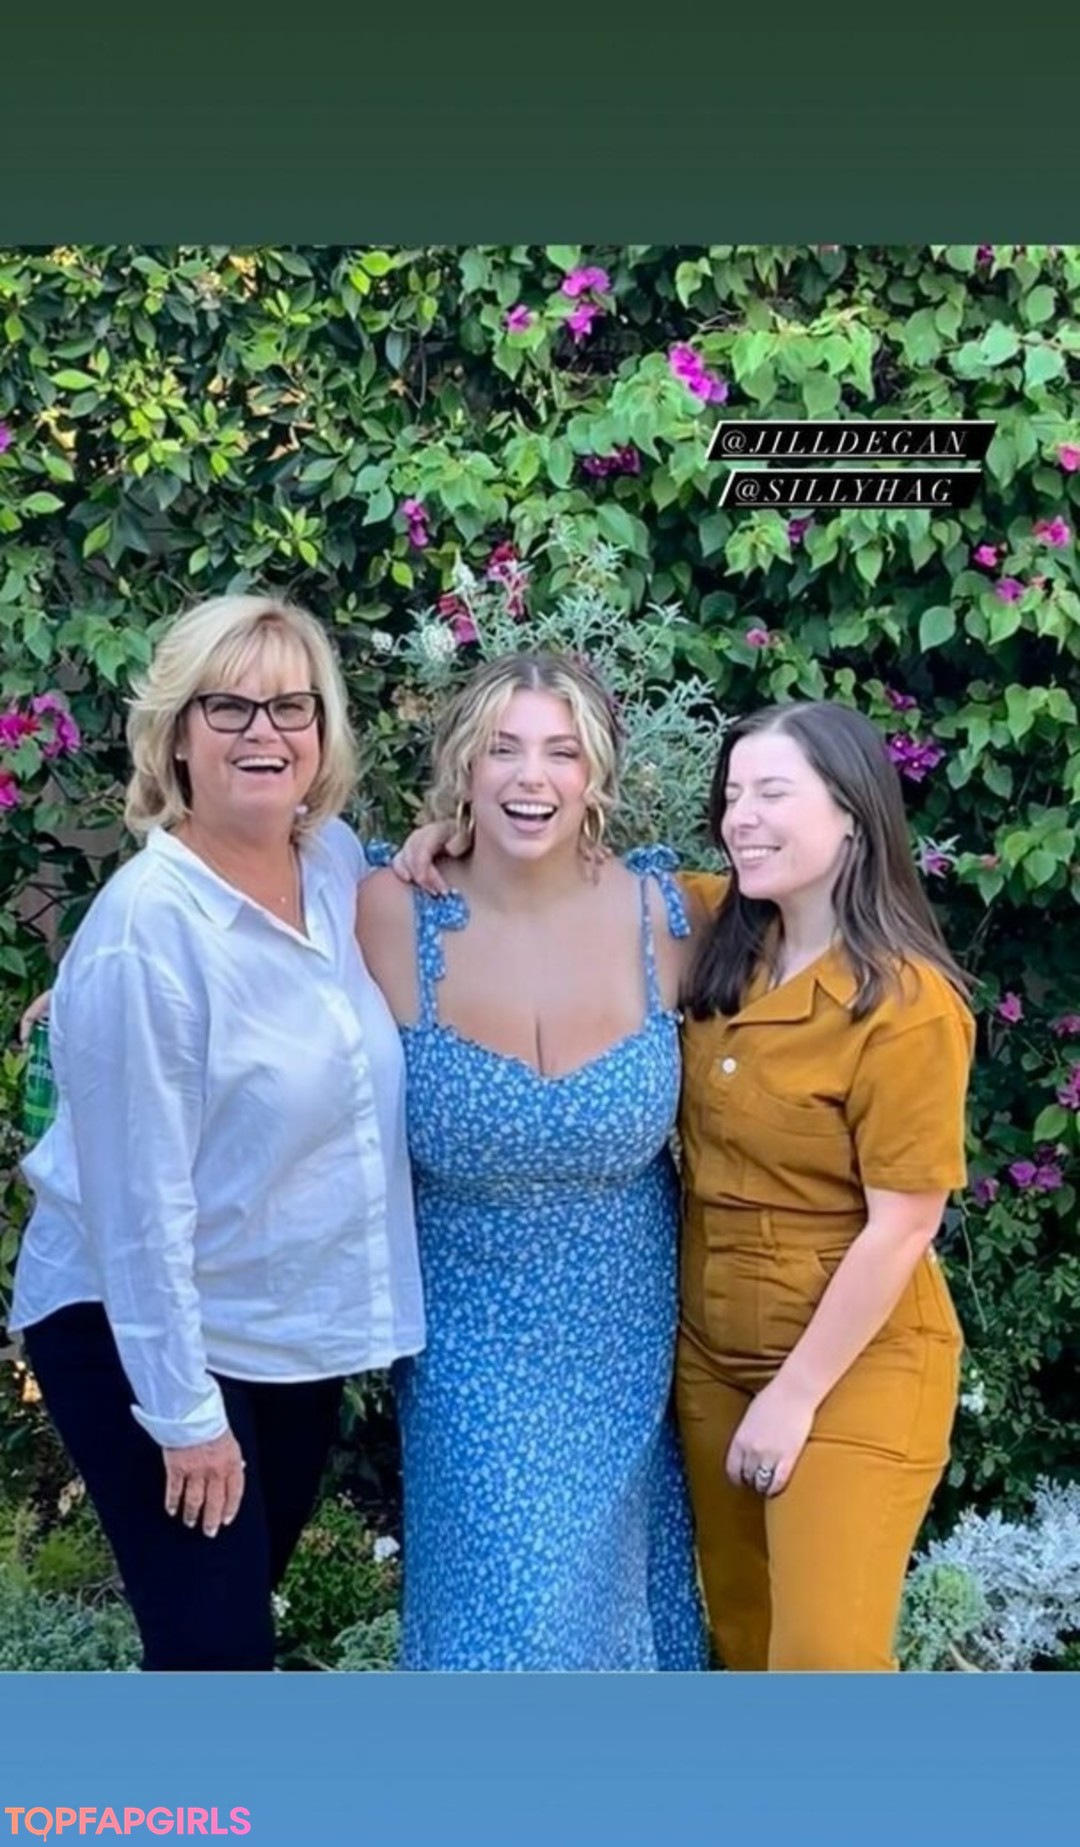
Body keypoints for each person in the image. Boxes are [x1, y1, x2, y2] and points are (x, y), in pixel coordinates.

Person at [8, 594, 424, 1672]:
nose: (263, 732)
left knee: (217, 1641)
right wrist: (184, 1415)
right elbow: (138, 1211)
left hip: (276, 1319)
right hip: (137, 1326)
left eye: (291, 706)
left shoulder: (332, 865)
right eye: (228, 706)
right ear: (177, 735)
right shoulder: (148, 931)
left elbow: (422, 900)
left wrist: (437, 844)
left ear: (322, 730)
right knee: (218, 1656)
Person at [356, 650, 707, 1670]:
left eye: (562, 751)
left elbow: (824, 919)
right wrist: (95, 996)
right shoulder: (386, 909)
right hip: (464, 1350)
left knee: (615, 1611)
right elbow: (252, 967)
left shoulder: (672, 916)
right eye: (503, 749)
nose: (531, 776)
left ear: (597, 775)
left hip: (626, 1340)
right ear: (463, 766)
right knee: (505, 1616)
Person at [675, 700, 973, 1671]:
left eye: (773, 793)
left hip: (853, 1367)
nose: (741, 818)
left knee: (822, 1660)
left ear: (852, 812)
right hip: (713, 1354)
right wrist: (440, 843)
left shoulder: (908, 1004)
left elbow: (904, 1225)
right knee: (744, 1638)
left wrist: (793, 1395)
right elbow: (565, 882)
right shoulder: (713, 925)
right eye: (732, 796)